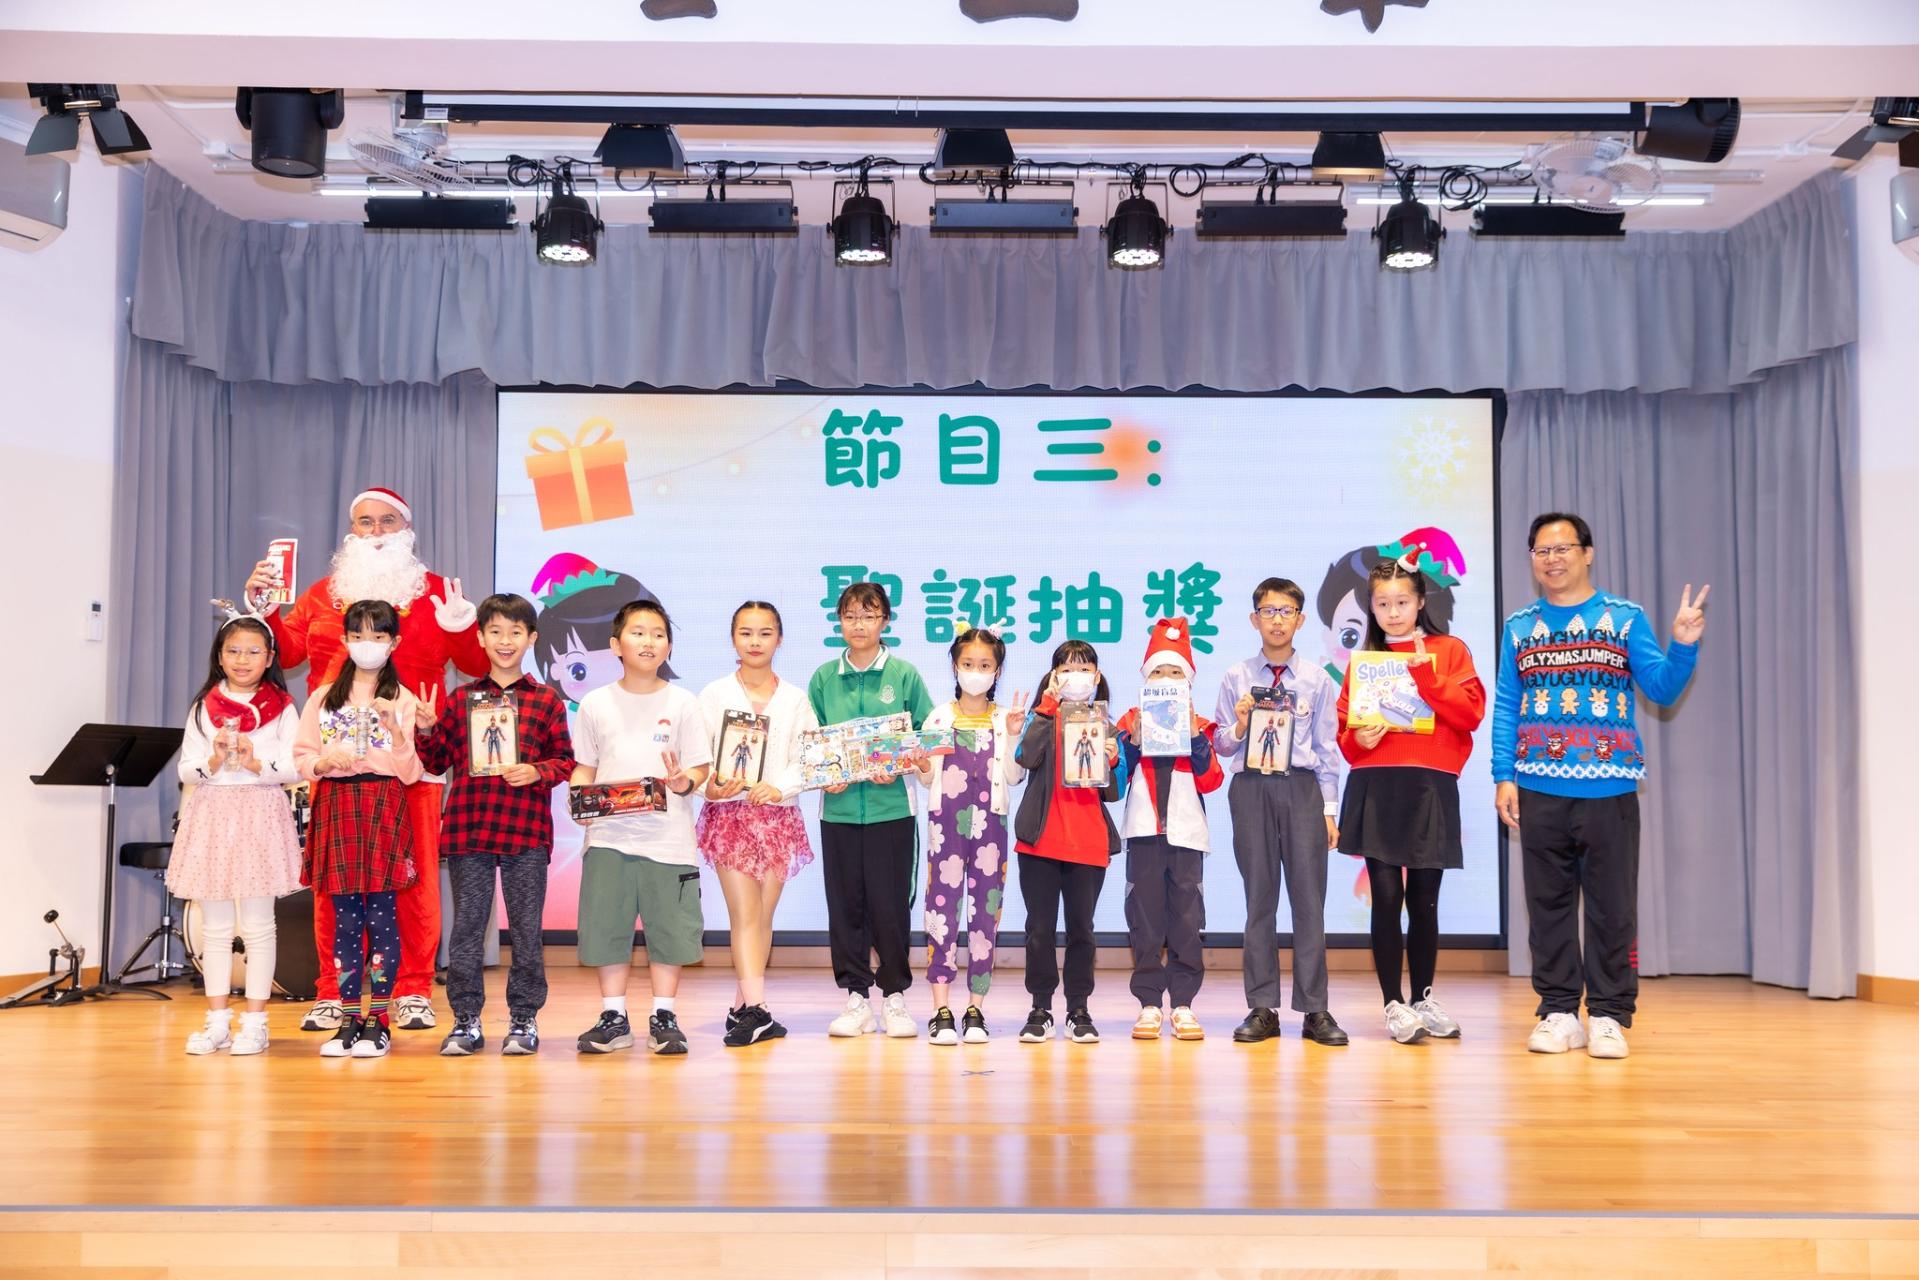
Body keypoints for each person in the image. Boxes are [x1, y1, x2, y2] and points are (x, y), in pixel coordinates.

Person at [243, 486, 485, 1035]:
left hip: (412, 760)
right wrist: (265, 608)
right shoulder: (321, 595)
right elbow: (286, 653)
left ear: (407, 529)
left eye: (387, 521)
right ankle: (334, 991)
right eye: (365, 522)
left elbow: (474, 665)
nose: (375, 532)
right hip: (338, 764)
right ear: (351, 531)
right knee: (335, 882)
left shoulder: (436, 593)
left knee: (414, 879)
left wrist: (462, 628)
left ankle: (412, 989)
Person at [1493, 513, 1707, 1060]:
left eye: (1563, 548)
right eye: (1542, 551)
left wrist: (1683, 645)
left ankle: (1609, 1015)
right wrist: (1503, 776)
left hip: (1610, 788)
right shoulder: (1519, 626)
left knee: (1613, 908)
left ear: (1587, 553)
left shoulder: (1624, 618)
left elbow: (1661, 689)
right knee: (1548, 906)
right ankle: (1560, 1012)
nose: (1553, 559)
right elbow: (1507, 705)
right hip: (1538, 786)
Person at [413, 593, 574, 1057]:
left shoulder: (547, 700)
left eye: (516, 632)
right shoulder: (460, 699)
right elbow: (436, 761)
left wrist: (536, 771)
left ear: (532, 638)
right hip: (469, 830)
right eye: (496, 632)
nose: (506, 641)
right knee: (466, 929)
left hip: (525, 832)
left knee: (526, 930)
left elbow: (565, 761)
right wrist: (426, 728)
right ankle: (465, 1020)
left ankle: (523, 1018)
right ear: (481, 638)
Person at [1336, 555, 1485, 1045]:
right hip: (1377, 783)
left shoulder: (1449, 650)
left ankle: (1423, 998)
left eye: (1402, 602)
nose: (1393, 612)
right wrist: (1361, 740)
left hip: (1429, 784)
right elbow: (1346, 733)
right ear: (1372, 607)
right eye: (1383, 604)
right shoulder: (1365, 661)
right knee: (1385, 897)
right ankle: (1392, 1004)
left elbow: (1470, 714)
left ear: (1421, 602)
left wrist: (1427, 678)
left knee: (1424, 899)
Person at [569, 600, 712, 1056]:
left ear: (668, 646)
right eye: (638, 632)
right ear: (616, 645)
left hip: (668, 840)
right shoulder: (595, 703)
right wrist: (578, 799)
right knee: (606, 927)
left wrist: (684, 781)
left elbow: (700, 767)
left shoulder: (683, 702)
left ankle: (664, 1015)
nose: (649, 641)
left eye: (658, 634)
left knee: (669, 931)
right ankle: (613, 1017)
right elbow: (584, 766)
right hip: (608, 838)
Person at [1214, 578, 1349, 1047]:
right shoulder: (1236, 677)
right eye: (1268, 611)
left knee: (1309, 901)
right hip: (1251, 787)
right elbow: (1221, 744)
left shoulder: (1317, 679)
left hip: (1302, 789)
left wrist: (1329, 810)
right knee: (1260, 900)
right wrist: (1239, 723)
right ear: (1254, 619)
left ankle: (1315, 1009)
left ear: (1300, 619)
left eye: (1286, 611)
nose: (1277, 620)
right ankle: (1262, 1007)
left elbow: (1327, 748)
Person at [292, 600, 423, 1059]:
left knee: (382, 914)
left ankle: (379, 1020)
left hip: (383, 802)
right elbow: (302, 755)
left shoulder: (403, 699)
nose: (368, 644)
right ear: (345, 640)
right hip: (336, 802)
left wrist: (397, 731)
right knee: (346, 917)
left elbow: (411, 772)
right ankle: (349, 1017)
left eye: (378, 636)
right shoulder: (323, 697)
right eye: (359, 635)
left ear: (394, 642)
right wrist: (322, 762)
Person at [168, 612, 304, 1056]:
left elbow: (295, 766)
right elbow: (186, 768)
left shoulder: (282, 706)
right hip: (212, 813)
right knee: (216, 926)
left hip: (260, 811)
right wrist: (212, 760)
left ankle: (256, 1022)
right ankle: (217, 1021)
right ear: (220, 656)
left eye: (253, 651)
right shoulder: (203, 706)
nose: (242, 660)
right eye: (233, 651)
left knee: (259, 924)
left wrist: (253, 763)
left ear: (270, 657)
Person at [807, 583, 935, 1039]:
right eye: (850, 616)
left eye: (869, 615)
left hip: (891, 810)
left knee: (890, 907)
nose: (859, 624)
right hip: (839, 811)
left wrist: (903, 763)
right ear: (839, 622)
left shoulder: (903, 674)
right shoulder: (824, 678)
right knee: (845, 906)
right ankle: (856, 997)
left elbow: (926, 737)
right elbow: (812, 743)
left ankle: (895, 996)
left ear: (885, 621)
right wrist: (824, 772)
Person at [696, 601, 819, 1048]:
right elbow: (698, 759)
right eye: (746, 633)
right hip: (730, 816)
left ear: (779, 639)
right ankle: (760, 1011)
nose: (755, 642)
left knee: (762, 919)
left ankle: (742, 1009)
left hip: (778, 817)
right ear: (733, 638)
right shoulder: (714, 695)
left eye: (765, 633)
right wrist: (713, 785)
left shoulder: (795, 698)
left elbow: (809, 759)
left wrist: (779, 787)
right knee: (745, 915)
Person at [912, 624, 1028, 1046]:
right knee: (941, 911)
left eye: (984, 665)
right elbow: (927, 778)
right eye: (968, 663)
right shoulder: (939, 717)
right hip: (945, 826)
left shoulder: (1004, 718)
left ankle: (976, 1008)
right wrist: (920, 763)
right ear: (954, 667)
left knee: (985, 914)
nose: (975, 672)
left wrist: (1013, 734)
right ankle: (940, 1008)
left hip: (991, 827)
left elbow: (1013, 777)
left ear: (997, 671)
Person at [1113, 619, 1223, 1042]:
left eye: (1175, 671)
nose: (1166, 678)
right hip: (1143, 832)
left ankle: (1182, 1003)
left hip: (1186, 835)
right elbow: (1114, 779)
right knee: (1143, 917)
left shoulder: (1200, 723)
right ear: (1146, 678)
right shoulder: (1130, 719)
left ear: (1188, 680)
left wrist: (1194, 738)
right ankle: (1148, 1003)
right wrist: (1133, 741)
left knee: (1186, 918)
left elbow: (1211, 780)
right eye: (1158, 671)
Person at [1012, 640, 1123, 1045]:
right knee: (1039, 930)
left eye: (1084, 668)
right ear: (1054, 676)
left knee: (1082, 931)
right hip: (1041, 842)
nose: (1076, 676)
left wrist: (1111, 759)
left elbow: (1114, 791)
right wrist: (1045, 709)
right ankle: (1040, 1008)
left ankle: (1079, 1009)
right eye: (1067, 668)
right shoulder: (1041, 716)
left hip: (1088, 843)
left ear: (1096, 676)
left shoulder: (1107, 726)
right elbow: (1025, 757)